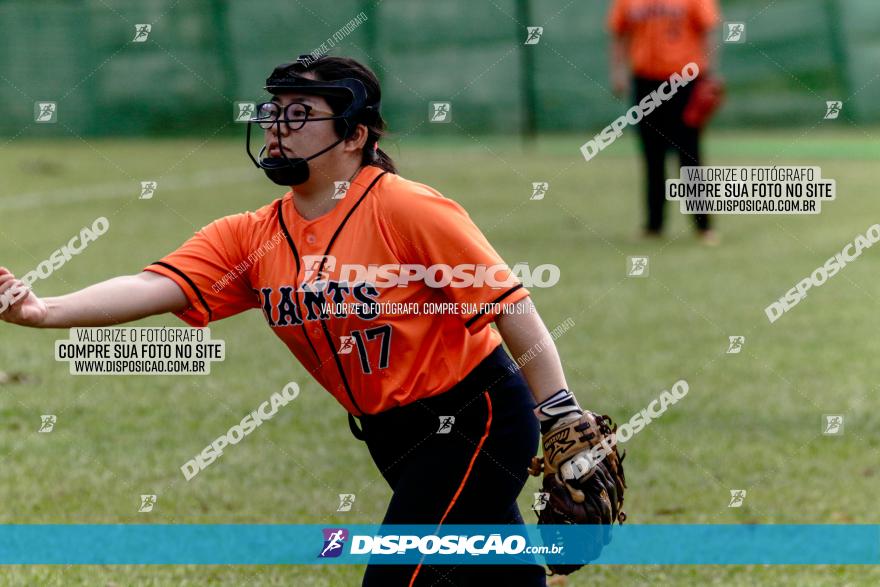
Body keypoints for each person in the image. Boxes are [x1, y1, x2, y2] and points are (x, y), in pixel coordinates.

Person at [0, 55, 606, 586]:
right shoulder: (253, 235)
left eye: (299, 113)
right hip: (390, 437)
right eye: (273, 111)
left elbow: (509, 306)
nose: (276, 126)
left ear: (353, 135)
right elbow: (152, 285)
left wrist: (558, 410)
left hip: (477, 418)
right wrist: (41, 309)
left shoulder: (406, 207)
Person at [609, 0, 722, 245]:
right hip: (645, 82)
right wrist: (617, 72)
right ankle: (653, 226)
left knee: (689, 154)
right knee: (652, 155)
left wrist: (709, 76)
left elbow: (708, 30)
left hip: (686, 80)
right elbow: (619, 33)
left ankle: (703, 226)